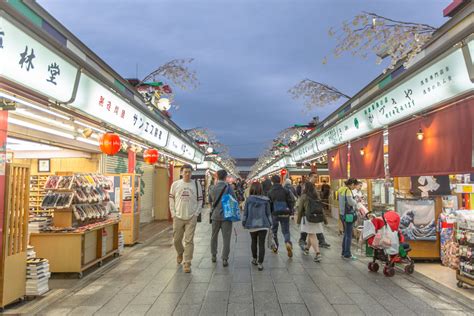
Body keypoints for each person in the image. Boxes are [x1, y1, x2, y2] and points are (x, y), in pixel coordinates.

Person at [169, 164, 203, 273]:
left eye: (189, 172)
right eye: (185, 172)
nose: (187, 174)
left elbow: (200, 200)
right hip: (178, 216)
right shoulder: (175, 184)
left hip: (191, 217)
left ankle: (187, 262)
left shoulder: (196, 185)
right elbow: (171, 200)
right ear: (181, 173)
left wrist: (196, 214)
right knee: (176, 240)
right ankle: (180, 252)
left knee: (189, 240)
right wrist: (173, 213)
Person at [242, 182, 272, 271]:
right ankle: (260, 263)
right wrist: (270, 223)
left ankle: (254, 259)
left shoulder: (248, 200)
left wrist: (244, 222)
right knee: (261, 243)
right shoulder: (266, 200)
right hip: (263, 224)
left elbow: (246, 213)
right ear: (261, 189)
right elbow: (268, 213)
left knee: (253, 241)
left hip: (252, 224)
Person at [209, 169, 236, 267]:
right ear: (225, 177)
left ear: (217, 176)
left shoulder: (212, 187)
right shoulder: (229, 188)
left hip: (215, 216)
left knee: (214, 236)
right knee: (226, 238)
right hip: (226, 216)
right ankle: (225, 259)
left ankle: (213, 255)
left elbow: (210, 200)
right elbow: (234, 200)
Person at [299, 172, 331, 251]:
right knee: (311, 232)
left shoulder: (313, 187)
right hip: (308, 213)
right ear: (310, 177)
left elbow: (318, 202)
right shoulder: (306, 187)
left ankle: (307, 246)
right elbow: (302, 203)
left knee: (312, 232)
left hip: (314, 212)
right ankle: (317, 252)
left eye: (317, 177)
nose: (316, 178)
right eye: (314, 177)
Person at [297, 181, 325, 262]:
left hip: (308, 218)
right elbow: (321, 208)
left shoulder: (304, 196)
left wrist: (298, 221)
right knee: (311, 233)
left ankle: (317, 253)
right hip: (317, 217)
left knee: (312, 235)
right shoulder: (317, 195)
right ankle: (306, 249)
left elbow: (300, 210)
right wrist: (325, 220)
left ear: (305, 188)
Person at [268, 175, 295, 257]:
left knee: (274, 230)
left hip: (275, 213)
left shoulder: (270, 191)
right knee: (286, 230)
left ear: (272, 182)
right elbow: (292, 200)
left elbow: (269, 204)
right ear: (280, 181)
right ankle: (287, 242)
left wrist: (270, 213)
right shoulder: (286, 190)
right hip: (285, 212)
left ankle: (275, 247)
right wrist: (290, 210)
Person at [338, 178, 358, 260]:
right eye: (355, 185)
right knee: (349, 235)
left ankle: (344, 252)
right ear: (352, 184)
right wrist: (356, 201)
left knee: (346, 234)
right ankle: (347, 254)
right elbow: (351, 202)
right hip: (348, 215)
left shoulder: (341, 189)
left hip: (342, 214)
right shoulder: (348, 191)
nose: (355, 187)